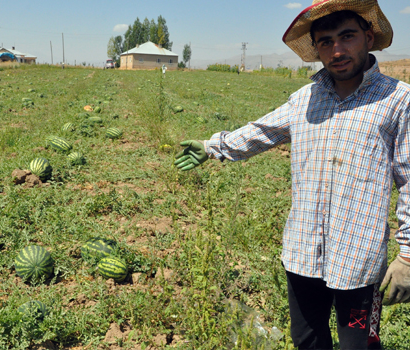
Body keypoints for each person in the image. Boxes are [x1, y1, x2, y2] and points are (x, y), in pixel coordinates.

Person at [173, 1, 410, 348]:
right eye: (325, 42)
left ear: (368, 37)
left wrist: (408, 255)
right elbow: (261, 131)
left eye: (347, 37)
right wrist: (212, 147)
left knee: (359, 343)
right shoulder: (304, 99)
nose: (337, 50)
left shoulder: (398, 100)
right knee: (306, 339)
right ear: (316, 49)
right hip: (303, 252)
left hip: (359, 259)